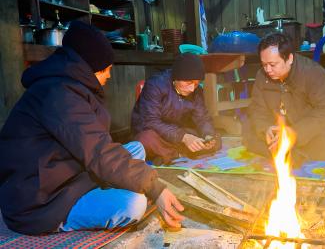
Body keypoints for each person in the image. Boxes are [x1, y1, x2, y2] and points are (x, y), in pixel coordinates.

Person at [0, 21, 184, 235]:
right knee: (133, 205)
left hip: (65, 171)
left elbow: (95, 146)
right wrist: (155, 188)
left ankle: (104, 186)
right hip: (41, 199)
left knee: (136, 149)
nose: (108, 76)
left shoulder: (69, 86)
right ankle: (63, 220)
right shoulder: (59, 95)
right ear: (89, 69)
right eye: (105, 70)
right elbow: (98, 151)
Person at [243, 33, 325, 163]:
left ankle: (291, 154)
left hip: (306, 131)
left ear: (290, 58)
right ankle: (288, 153)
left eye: (272, 64)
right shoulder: (262, 76)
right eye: (264, 64)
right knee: (248, 130)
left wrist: (295, 132)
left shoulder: (312, 72)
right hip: (278, 131)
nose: (267, 70)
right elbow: (257, 109)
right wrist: (266, 129)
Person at [131, 53, 220, 165]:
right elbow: (150, 121)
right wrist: (183, 137)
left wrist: (208, 135)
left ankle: (167, 155)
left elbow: (202, 118)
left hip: (177, 131)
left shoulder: (197, 91)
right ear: (177, 77)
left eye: (196, 84)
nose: (192, 89)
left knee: (216, 138)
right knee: (145, 140)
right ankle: (178, 153)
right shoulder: (155, 85)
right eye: (189, 83)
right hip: (155, 132)